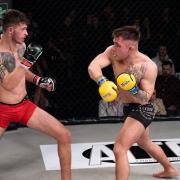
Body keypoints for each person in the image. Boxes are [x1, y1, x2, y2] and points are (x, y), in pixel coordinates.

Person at [88, 25, 180, 180]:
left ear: (130, 47)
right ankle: (170, 169)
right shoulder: (112, 52)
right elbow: (93, 66)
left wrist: (132, 88)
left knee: (119, 148)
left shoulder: (147, 66)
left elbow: (147, 97)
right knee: (145, 143)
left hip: (143, 109)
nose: (114, 47)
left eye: (118, 45)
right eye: (114, 43)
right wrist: (102, 81)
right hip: (128, 106)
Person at [0, 9, 71, 180]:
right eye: (23, 29)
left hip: (24, 105)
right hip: (2, 109)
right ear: (11, 30)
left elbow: (22, 73)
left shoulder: (21, 47)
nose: (26, 33)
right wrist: (26, 62)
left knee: (64, 135)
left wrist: (39, 80)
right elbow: (8, 84)